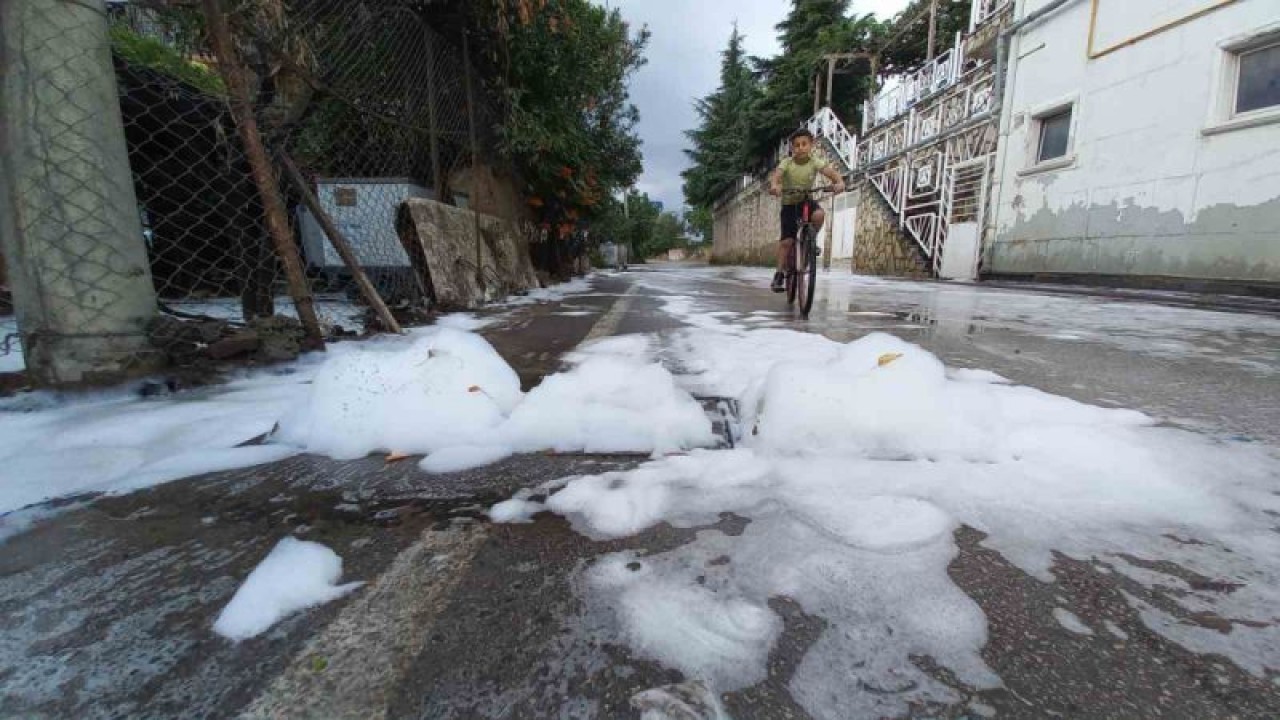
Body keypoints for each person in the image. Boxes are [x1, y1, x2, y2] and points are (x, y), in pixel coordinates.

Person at [768, 129, 846, 292]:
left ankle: (810, 240)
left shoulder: (814, 162)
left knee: (818, 215)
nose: (801, 148)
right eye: (796, 145)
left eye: (804, 144)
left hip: (806, 200)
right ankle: (779, 275)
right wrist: (775, 186)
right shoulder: (787, 163)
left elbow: (831, 173)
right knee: (786, 242)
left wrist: (839, 182)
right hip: (789, 204)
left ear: (811, 145)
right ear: (792, 148)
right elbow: (777, 176)